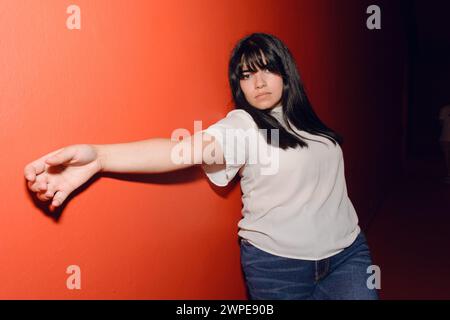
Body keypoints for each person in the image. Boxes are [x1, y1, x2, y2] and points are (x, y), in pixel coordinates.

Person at [24, 32, 378, 300]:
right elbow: (181, 151)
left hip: (347, 253)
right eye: (245, 74)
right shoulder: (243, 125)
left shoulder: (310, 123)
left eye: (268, 69)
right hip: (279, 266)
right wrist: (101, 157)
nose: (258, 82)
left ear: (286, 73)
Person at [439, 104, 450, 183]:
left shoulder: (445, 109)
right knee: (447, 158)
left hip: (446, 137)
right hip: (446, 137)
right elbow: (441, 122)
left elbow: (441, 123)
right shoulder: (445, 109)